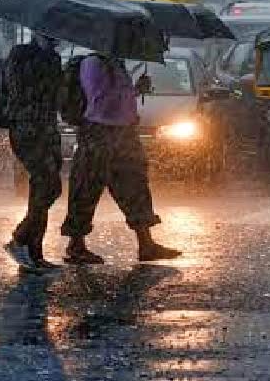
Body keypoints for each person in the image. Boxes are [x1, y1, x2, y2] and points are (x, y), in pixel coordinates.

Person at [61, 52, 181, 264]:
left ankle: (146, 244)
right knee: (86, 188)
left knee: (134, 186)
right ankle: (76, 245)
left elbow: (116, 99)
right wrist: (128, 92)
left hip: (124, 133)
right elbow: (100, 101)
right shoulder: (93, 64)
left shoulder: (117, 63)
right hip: (99, 133)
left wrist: (136, 90)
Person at [2, 32, 64, 272]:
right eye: (49, 36)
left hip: (47, 128)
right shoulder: (21, 55)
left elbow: (56, 97)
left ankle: (34, 252)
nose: (54, 39)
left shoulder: (54, 59)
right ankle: (20, 239)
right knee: (48, 185)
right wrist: (49, 66)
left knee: (44, 188)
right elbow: (21, 89)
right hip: (27, 128)